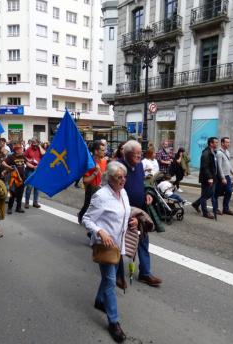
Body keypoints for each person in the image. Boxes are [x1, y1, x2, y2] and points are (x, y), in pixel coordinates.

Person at [82, 161, 132, 343]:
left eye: (124, 176)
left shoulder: (123, 192)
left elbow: (125, 213)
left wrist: (132, 221)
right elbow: (86, 219)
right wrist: (100, 231)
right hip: (106, 246)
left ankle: (99, 300)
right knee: (111, 281)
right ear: (109, 178)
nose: (123, 180)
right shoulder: (101, 196)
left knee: (107, 279)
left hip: (119, 244)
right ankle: (114, 322)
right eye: (119, 177)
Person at [119, 140, 162, 286]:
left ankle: (145, 273)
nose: (139, 156)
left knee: (143, 241)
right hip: (123, 212)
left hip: (139, 210)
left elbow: (143, 183)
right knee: (119, 243)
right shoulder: (118, 167)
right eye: (136, 153)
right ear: (128, 153)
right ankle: (116, 274)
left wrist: (147, 193)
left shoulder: (139, 166)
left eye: (140, 153)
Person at [78, 140, 108, 224]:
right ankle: (81, 215)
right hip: (91, 188)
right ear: (96, 151)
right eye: (102, 150)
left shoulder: (104, 161)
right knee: (88, 205)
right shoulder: (89, 163)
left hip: (101, 188)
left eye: (104, 150)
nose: (104, 152)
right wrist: (95, 172)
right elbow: (85, 181)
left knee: (100, 207)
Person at [191, 137, 219, 219]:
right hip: (207, 178)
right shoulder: (206, 153)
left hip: (213, 177)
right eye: (216, 142)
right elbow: (205, 167)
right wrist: (209, 178)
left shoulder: (213, 152)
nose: (217, 144)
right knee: (204, 195)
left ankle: (196, 203)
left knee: (210, 194)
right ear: (211, 143)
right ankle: (205, 213)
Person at [214, 137, 233, 215]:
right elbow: (219, 166)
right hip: (221, 176)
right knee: (216, 193)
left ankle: (225, 208)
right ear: (222, 143)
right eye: (227, 142)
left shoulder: (227, 152)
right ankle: (216, 208)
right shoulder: (219, 153)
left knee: (229, 191)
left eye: (229, 142)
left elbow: (228, 164)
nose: (228, 144)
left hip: (227, 176)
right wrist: (222, 177)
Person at [3, 143, 26, 214]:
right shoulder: (11, 157)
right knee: (13, 193)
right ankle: (10, 208)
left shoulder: (22, 156)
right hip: (14, 179)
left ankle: (18, 208)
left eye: (21, 148)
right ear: (16, 150)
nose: (22, 150)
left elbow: (27, 163)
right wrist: (9, 167)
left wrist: (35, 167)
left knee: (20, 193)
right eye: (20, 148)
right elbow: (3, 163)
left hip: (22, 178)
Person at [24, 139, 42, 209]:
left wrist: (39, 146)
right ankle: (27, 202)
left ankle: (35, 202)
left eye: (36, 143)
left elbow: (44, 154)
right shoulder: (28, 149)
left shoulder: (39, 149)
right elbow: (24, 157)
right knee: (29, 186)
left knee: (37, 187)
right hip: (30, 169)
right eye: (33, 143)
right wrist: (29, 161)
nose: (34, 144)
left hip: (38, 170)